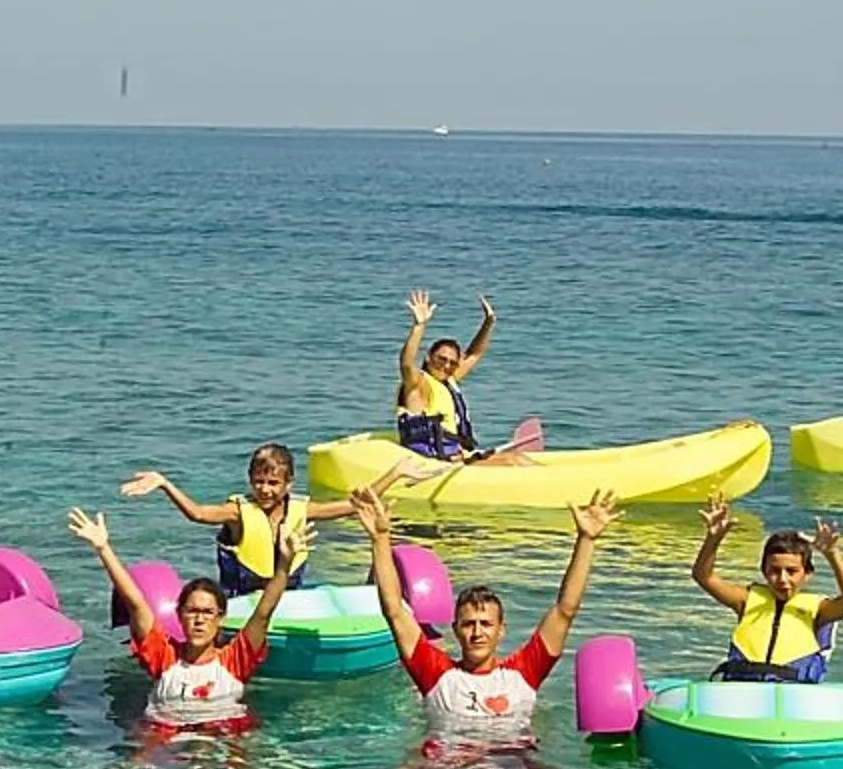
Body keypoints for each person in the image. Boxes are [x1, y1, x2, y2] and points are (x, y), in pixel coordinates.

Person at [347, 481, 616, 741]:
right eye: (468, 624)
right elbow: (394, 610)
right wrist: (380, 539)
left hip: (512, 766)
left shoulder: (524, 673)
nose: (477, 633)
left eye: (486, 624)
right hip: (450, 766)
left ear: (501, 631)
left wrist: (586, 540)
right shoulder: (435, 674)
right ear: (455, 630)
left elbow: (565, 610)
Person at [66, 507, 293, 730]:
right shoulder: (165, 657)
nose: (199, 620)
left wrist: (284, 565)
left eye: (207, 612)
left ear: (220, 619)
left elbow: (263, 613)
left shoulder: (234, 661)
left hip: (222, 739)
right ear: (179, 616)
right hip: (168, 739)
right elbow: (136, 603)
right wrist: (103, 548)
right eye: (192, 611)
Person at [119, 444, 387, 598]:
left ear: (289, 484)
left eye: (273, 483)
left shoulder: (301, 509)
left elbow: (357, 504)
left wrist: (396, 473)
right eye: (259, 481)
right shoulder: (238, 512)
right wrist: (165, 484)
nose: (265, 489)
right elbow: (198, 513)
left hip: (286, 600)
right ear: (250, 480)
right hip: (241, 602)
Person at [689, 493, 843, 681]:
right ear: (763, 571)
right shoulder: (745, 600)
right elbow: (703, 577)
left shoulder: (819, 610)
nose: (782, 579)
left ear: (807, 573)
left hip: (793, 691)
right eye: (774, 570)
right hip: (742, 690)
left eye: (792, 571)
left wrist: (832, 554)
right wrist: (713, 539)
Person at [394, 289, 519, 463]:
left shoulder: (447, 380)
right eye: (441, 359)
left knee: (518, 459)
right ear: (428, 357)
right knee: (512, 461)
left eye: (452, 363)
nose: (446, 366)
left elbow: (474, 355)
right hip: (435, 461)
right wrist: (419, 326)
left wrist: (489, 323)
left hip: (457, 456)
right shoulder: (418, 385)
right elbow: (406, 364)